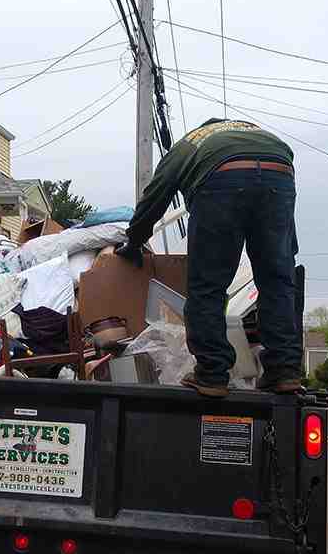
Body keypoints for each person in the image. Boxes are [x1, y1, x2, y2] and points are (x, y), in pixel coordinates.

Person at [115, 119, 301, 396]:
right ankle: (284, 372)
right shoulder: (260, 135)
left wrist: (135, 240)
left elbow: (156, 195)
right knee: (277, 283)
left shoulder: (189, 144)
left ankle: (212, 374)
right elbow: (282, 224)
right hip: (280, 171)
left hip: (221, 180)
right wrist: (286, 253)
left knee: (208, 284)